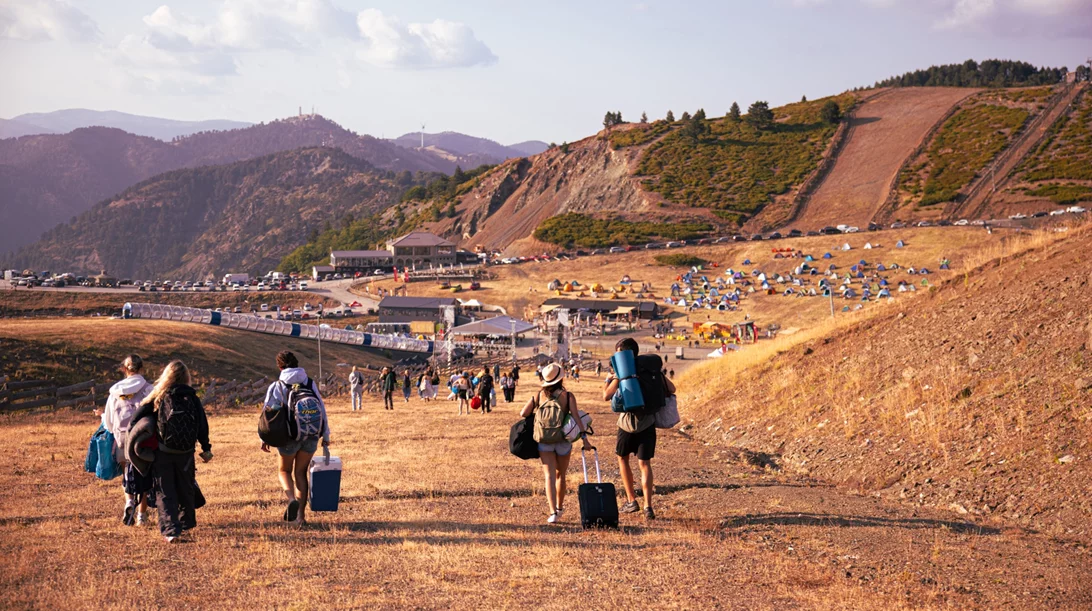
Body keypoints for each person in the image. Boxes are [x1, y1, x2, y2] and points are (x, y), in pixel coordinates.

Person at [131, 360, 212, 542]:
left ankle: (170, 531)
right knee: (186, 488)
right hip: (186, 453)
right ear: (187, 377)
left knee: (164, 491)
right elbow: (202, 425)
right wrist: (206, 448)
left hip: (163, 452)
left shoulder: (158, 396)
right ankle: (186, 523)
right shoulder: (192, 397)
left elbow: (135, 419)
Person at [603, 338, 675, 521]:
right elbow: (672, 388)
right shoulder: (651, 370)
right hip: (648, 423)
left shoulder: (623, 371)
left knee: (623, 459)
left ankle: (631, 500)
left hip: (626, 424)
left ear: (622, 353)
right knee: (645, 465)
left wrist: (611, 380)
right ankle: (648, 506)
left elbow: (606, 395)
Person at [260, 351, 331, 527]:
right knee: (301, 473)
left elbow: (268, 414)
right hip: (311, 435)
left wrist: (264, 438)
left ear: (280, 366)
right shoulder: (309, 382)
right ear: (297, 364)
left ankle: (291, 498)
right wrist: (326, 435)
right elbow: (321, 408)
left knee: (284, 471)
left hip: (288, 437)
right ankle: (300, 517)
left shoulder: (277, 385)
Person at [520, 363, 590, 524]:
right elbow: (577, 418)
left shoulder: (539, 395)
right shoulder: (568, 396)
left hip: (544, 439)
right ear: (561, 378)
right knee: (561, 475)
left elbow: (523, 413)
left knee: (549, 475)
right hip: (563, 440)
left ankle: (552, 513)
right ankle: (559, 507)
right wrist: (585, 439)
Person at [100, 354, 153, 526]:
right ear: (142, 369)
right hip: (143, 438)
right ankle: (141, 517)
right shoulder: (148, 389)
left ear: (124, 369)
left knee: (127, 475)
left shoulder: (114, 392)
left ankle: (129, 502)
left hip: (122, 438)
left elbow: (108, 422)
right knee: (145, 475)